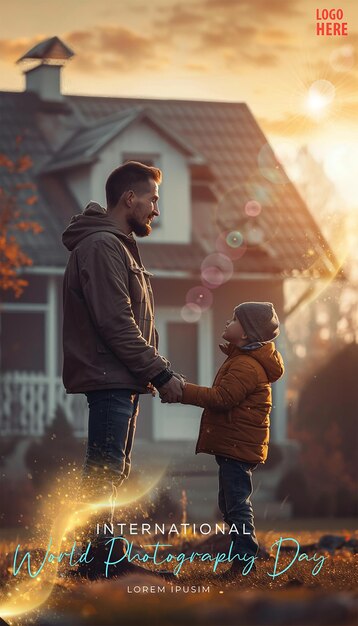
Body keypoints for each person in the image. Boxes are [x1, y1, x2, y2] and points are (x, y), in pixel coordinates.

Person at [62, 161, 183, 578]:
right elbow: (116, 322)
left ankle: (96, 558)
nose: (156, 209)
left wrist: (149, 372)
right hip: (109, 376)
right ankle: (100, 562)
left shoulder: (117, 244)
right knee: (104, 471)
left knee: (110, 469)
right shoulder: (101, 247)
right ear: (129, 198)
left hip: (122, 378)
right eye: (152, 199)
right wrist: (161, 373)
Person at [161, 301, 284, 580]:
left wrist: (183, 392)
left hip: (238, 448)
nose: (227, 323)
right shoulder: (241, 360)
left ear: (247, 333)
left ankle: (245, 559)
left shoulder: (246, 365)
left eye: (234, 319)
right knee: (229, 503)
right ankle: (240, 556)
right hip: (235, 446)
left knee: (237, 504)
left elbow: (222, 398)